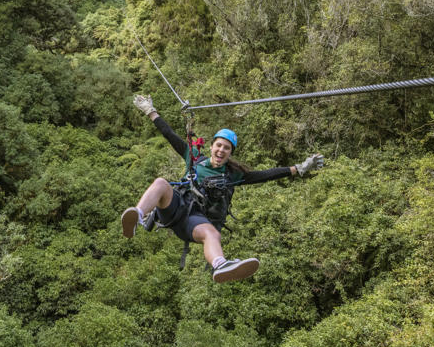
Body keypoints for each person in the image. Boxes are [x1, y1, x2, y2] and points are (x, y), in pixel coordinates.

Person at [121, 94, 325, 283]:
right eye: (218, 145)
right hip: (176, 208)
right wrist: (150, 111)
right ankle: (137, 215)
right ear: (211, 147)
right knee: (161, 183)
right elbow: (169, 134)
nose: (221, 150)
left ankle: (221, 265)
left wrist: (298, 168)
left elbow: (266, 175)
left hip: (196, 221)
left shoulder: (233, 175)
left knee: (212, 234)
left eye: (226, 148)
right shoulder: (194, 157)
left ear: (230, 153)